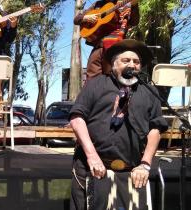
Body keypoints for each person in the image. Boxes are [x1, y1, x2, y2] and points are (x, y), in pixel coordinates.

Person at [68, 39, 168, 210]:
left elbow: (155, 128)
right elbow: (77, 119)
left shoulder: (149, 92)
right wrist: (92, 156)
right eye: (126, 60)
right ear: (114, 64)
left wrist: (145, 164)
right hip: (92, 168)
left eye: (136, 62)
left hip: (132, 171)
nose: (132, 65)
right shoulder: (96, 85)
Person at [74, 0, 139, 79]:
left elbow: (134, 22)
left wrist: (135, 6)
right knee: (91, 77)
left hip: (116, 47)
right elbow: (76, 19)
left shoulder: (125, 3)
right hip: (98, 46)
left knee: (111, 78)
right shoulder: (97, 4)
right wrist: (85, 17)